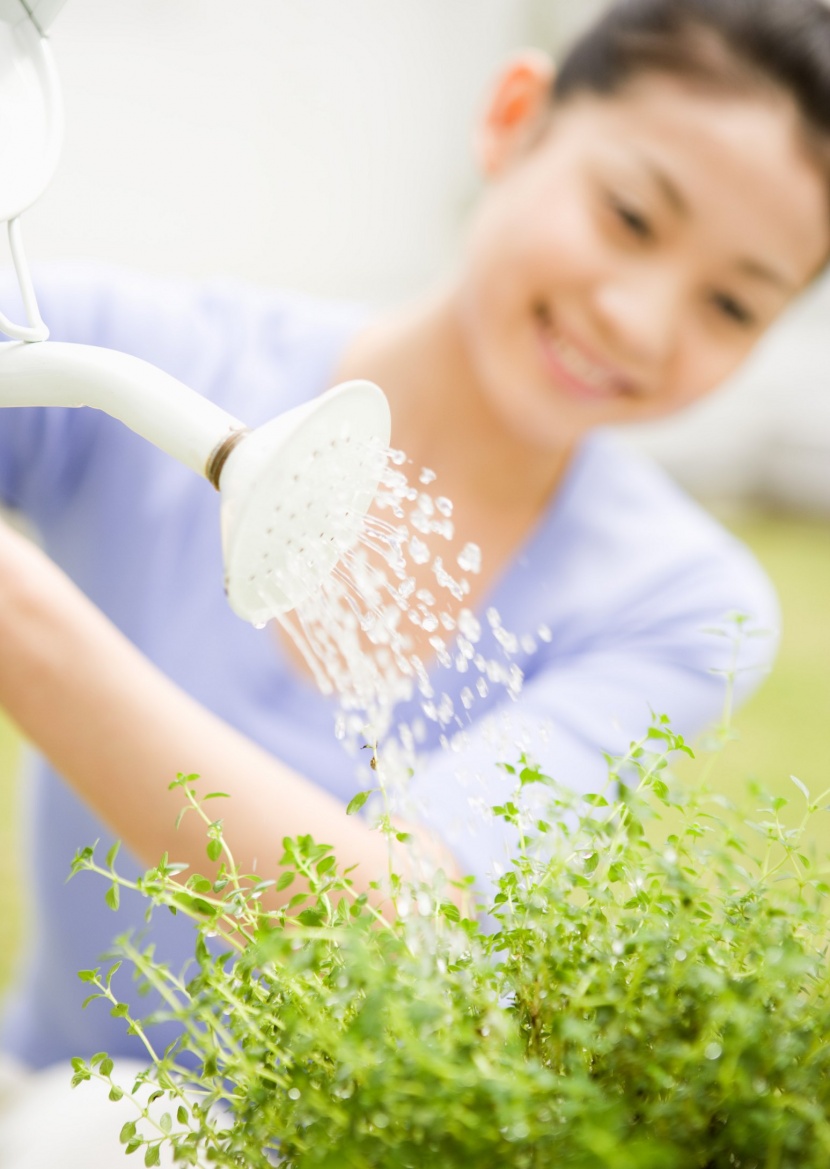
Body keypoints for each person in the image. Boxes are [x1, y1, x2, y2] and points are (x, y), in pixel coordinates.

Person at [1, 0, 830, 1159]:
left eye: (732, 303)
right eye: (629, 214)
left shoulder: (682, 602)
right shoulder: (138, 373)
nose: (639, 318)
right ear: (514, 121)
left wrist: (21, 621)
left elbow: (391, 928)